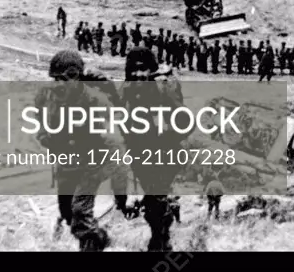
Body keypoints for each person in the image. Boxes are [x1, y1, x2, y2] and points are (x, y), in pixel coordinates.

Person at [35, 50, 117, 251]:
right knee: (68, 213)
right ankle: (98, 238)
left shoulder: (95, 98)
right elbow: (41, 122)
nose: (59, 84)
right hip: (66, 162)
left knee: (81, 212)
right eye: (56, 79)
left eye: (65, 79)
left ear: (77, 77)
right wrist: (46, 136)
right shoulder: (48, 97)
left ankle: (93, 245)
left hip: (92, 163)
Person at [120, 47, 185, 251]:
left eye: (143, 69)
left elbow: (182, 122)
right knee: (152, 203)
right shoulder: (127, 90)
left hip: (163, 152)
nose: (138, 74)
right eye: (134, 69)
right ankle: (160, 237)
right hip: (139, 153)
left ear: (152, 70)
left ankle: (161, 243)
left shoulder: (163, 88)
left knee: (156, 202)